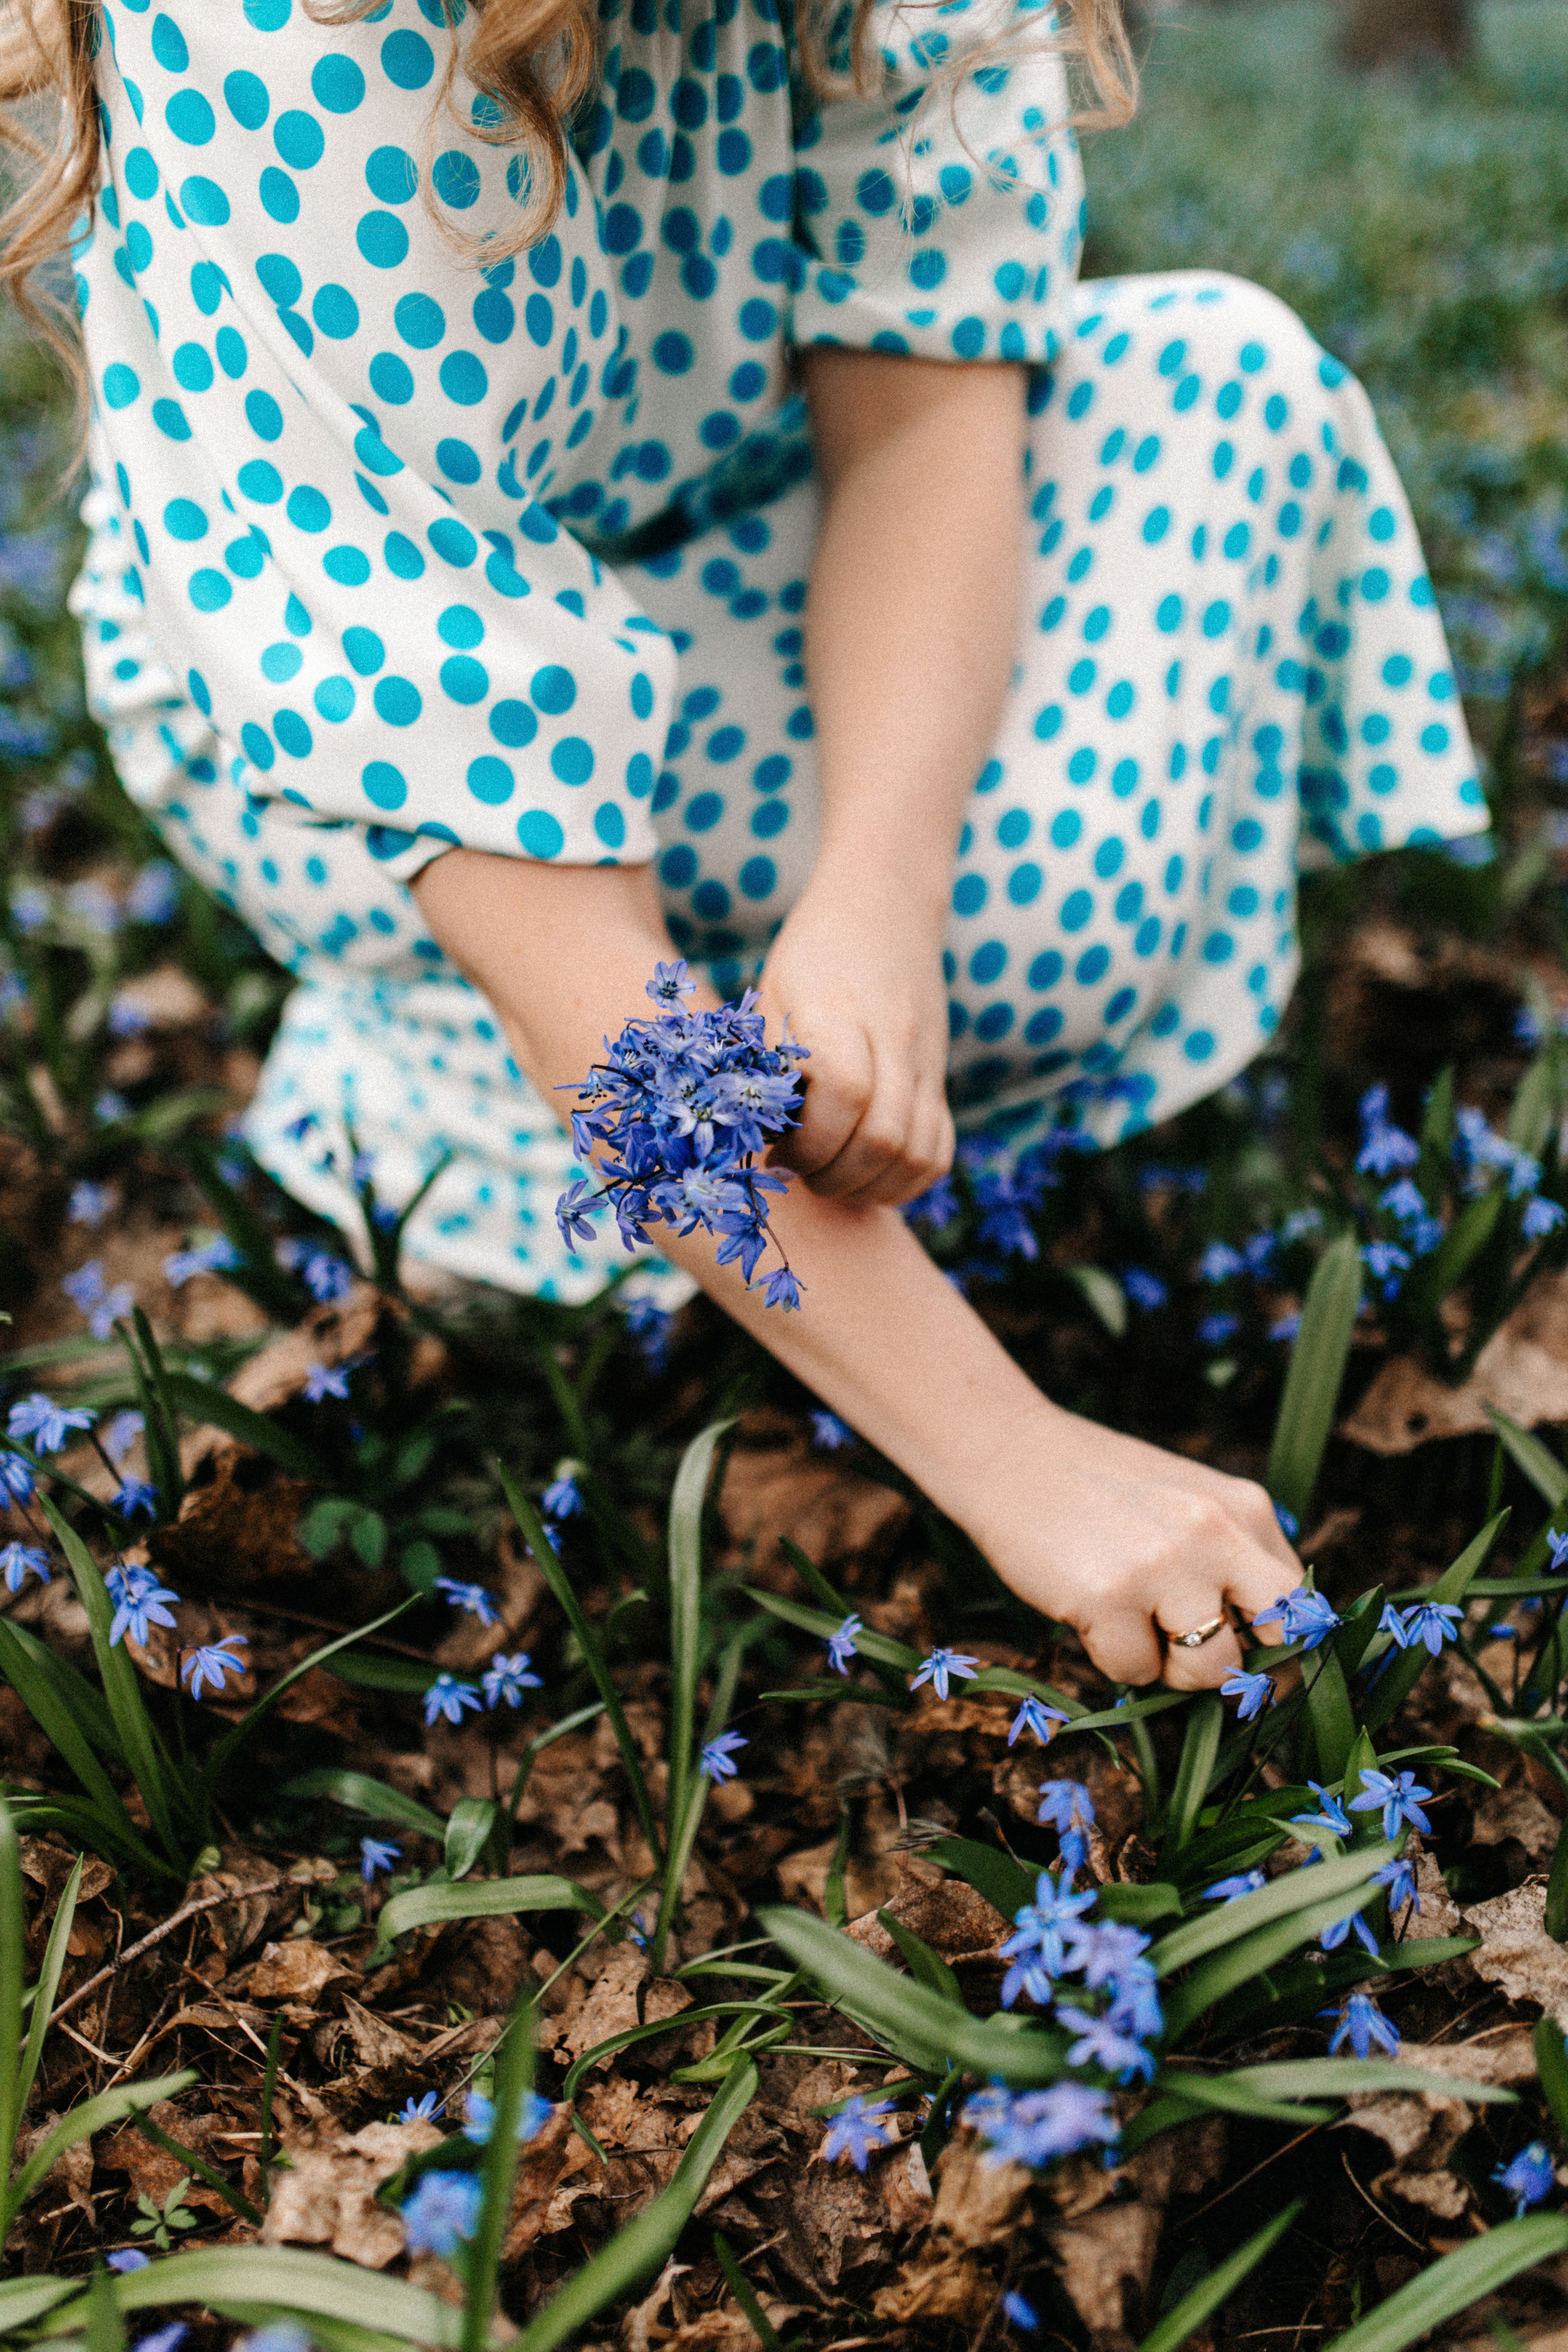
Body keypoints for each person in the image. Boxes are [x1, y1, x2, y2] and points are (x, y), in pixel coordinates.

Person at [3, 0, 1483, 1691]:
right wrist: (1012, 1452)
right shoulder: (281, 34)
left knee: (1225, 386)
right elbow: (501, 830)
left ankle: (690, 1158)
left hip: (725, 540)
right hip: (347, 695)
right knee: (602, 992)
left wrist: (876, 900)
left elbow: (918, 417)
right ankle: (485, 1120)